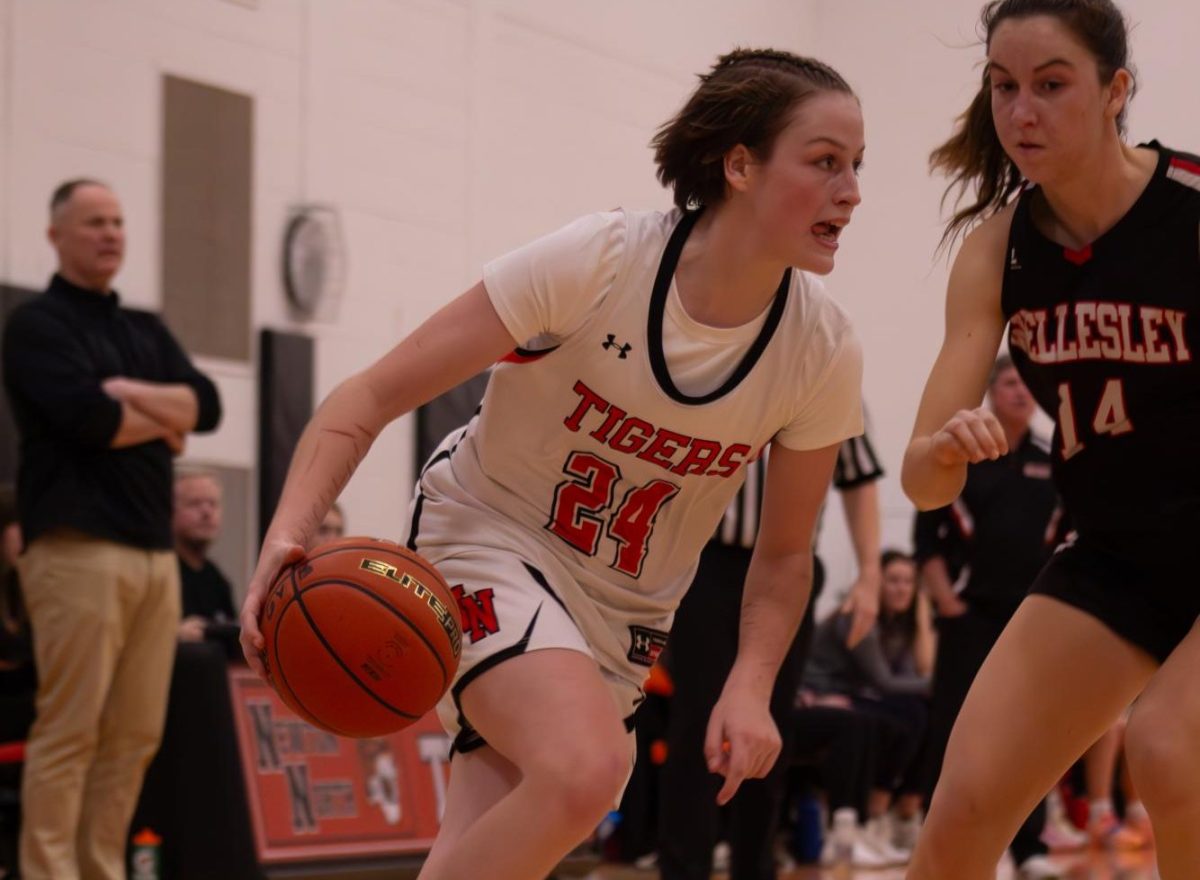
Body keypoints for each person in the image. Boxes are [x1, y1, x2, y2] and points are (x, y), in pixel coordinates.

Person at [241, 48, 866, 880]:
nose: (852, 191)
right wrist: (287, 532)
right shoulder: (601, 261)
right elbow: (366, 397)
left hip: (624, 612)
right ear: (741, 164)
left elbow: (787, 553)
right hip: (487, 536)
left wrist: (751, 683)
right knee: (585, 771)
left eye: (857, 167)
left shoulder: (821, 350)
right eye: (825, 163)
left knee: (486, 848)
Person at [902, 1, 1200, 877]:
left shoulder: (1189, 211)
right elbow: (923, 485)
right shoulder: (997, 251)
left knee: (1169, 749)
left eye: (1050, 85)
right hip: (1117, 553)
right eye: (1003, 87)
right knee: (965, 804)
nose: (1020, 112)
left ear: (1117, 91)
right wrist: (944, 451)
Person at [2, 179, 222, 880]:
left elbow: (208, 406)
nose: (111, 233)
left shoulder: (144, 330)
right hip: (75, 547)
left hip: (153, 557)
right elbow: (89, 419)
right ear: (56, 234)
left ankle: (101, 870)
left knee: (133, 737)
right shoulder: (36, 325)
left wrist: (130, 396)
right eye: (95, 221)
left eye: (119, 221)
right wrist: (165, 418)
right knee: (71, 730)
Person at [657, 430, 885, 880]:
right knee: (695, 720)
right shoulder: (711, 363)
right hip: (704, 564)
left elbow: (858, 480)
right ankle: (684, 869)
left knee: (771, 722)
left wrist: (871, 575)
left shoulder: (832, 368)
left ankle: (755, 867)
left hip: (790, 566)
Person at [911, 354, 1066, 877]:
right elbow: (926, 539)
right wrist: (947, 604)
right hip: (969, 616)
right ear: (991, 391)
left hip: (1034, 619)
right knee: (954, 727)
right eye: (1008, 382)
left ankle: (1030, 849)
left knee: (1034, 733)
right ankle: (937, 843)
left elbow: (1072, 536)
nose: (1020, 391)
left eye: (1027, 382)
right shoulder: (965, 454)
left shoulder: (1056, 457)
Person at [803, 549, 932, 865]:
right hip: (816, 693)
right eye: (893, 581)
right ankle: (871, 818)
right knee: (909, 714)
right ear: (876, 584)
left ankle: (896, 815)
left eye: (909, 582)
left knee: (923, 715)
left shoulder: (898, 624)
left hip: (852, 695)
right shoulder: (857, 617)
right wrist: (946, 687)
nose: (902, 588)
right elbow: (885, 683)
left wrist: (923, 617)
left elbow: (918, 672)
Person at [172, 468, 238, 647]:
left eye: (213, 504)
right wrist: (173, 635)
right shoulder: (161, 573)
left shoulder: (217, 579)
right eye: (194, 503)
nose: (207, 512)